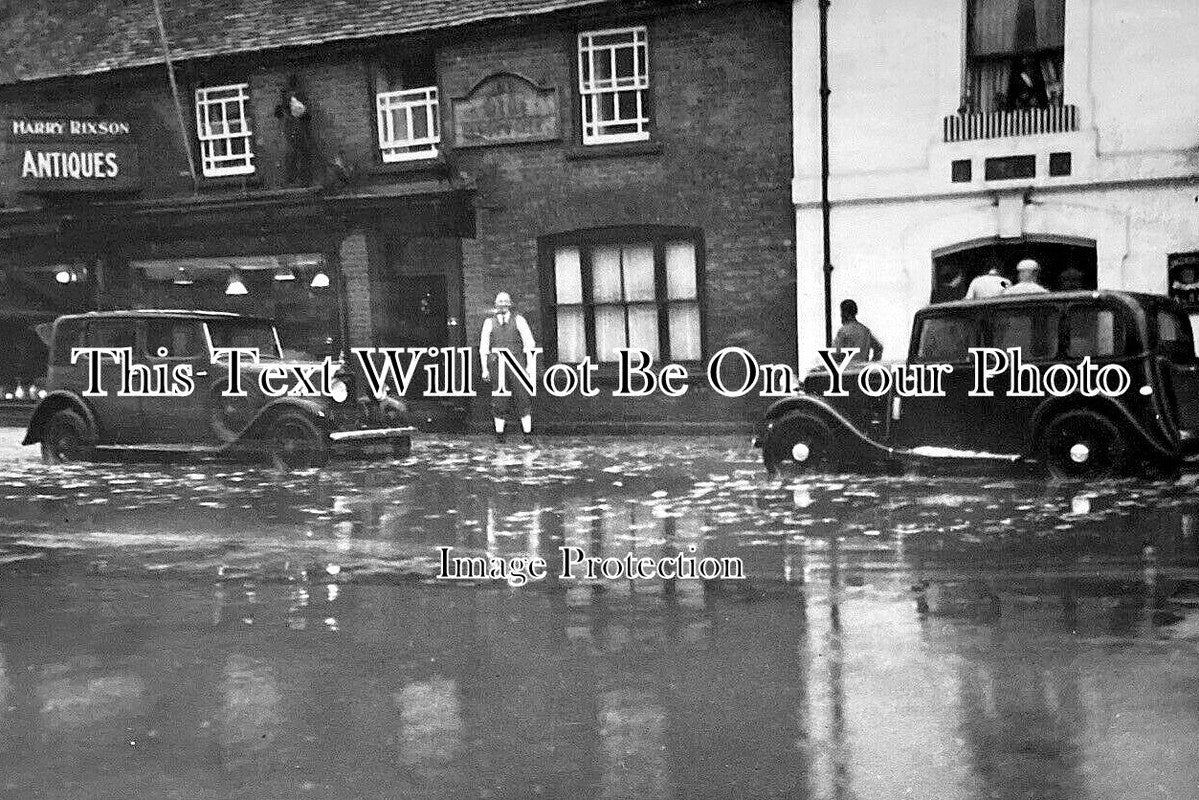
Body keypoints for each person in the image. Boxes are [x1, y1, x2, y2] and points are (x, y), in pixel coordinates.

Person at [479, 292, 537, 443]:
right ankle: (500, 435)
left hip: (516, 362)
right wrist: (485, 368)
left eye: (506, 301)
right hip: (497, 364)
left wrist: (530, 367)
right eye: (500, 301)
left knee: (522, 396)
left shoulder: (519, 320)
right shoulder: (488, 323)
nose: (503, 304)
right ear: (495, 304)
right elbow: (484, 347)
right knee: (499, 398)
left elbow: (529, 344)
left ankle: (527, 434)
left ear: (510, 304)